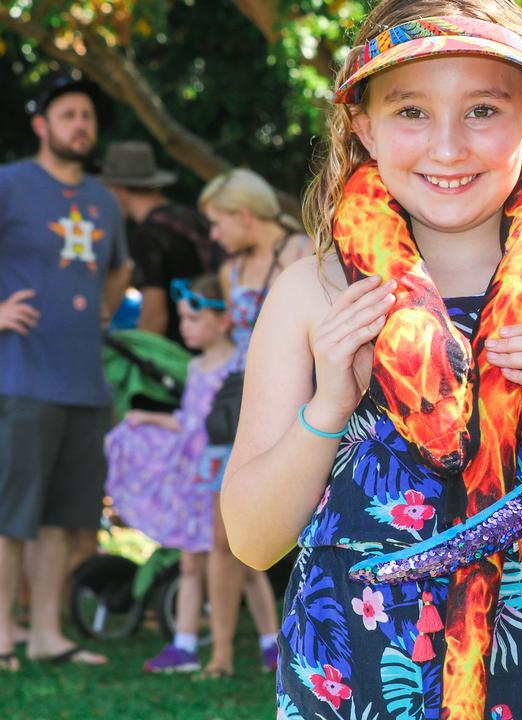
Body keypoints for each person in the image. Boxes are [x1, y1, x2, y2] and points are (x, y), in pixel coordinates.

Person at [219, 2, 522, 716]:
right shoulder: (315, 292)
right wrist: (328, 405)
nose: (447, 147)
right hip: (352, 669)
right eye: (412, 112)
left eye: (482, 110)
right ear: (364, 127)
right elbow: (253, 540)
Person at [0, 73, 130, 671]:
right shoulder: (11, 185)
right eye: (68, 114)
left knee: (62, 519)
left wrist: (101, 304)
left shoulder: (105, 200)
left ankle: (48, 633)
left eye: (87, 115)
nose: (81, 124)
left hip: (85, 380)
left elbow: (119, 268)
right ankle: (2, 632)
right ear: (41, 125)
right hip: (20, 378)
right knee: (10, 515)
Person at [103, 274, 278, 673]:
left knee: (246, 565)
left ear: (222, 322)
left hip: (223, 476)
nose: (184, 327)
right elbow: (188, 420)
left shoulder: (236, 367)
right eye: (181, 319)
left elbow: (212, 424)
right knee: (190, 563)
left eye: (193, 319)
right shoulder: (196, 367)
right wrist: (151, 419)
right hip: (197, 481)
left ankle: (271, 642)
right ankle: (184, 644)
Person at [197, 167, 308, 677]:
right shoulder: (231, 271)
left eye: (217, 222)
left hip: (298, 405)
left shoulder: (304, 254)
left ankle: (291, 642)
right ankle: (220, 652)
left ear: (244, 214)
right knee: (223, 534)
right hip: (240, 406)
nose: (214, 235)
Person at [99, 140, 213, 349]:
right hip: (213, 347)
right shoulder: (186, 217)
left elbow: (154, 319)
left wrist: (140, 365)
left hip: (179, 354)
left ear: (118, 189)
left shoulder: (146, 237)